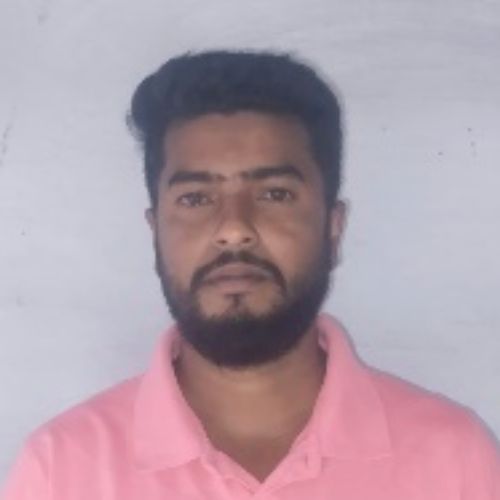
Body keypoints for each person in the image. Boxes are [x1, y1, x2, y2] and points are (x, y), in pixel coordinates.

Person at [2, 50, 499, 499]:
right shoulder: (61, 471)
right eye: (195, 198)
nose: (234, 229)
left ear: (333, 226)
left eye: (274, 194)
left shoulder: (453, 461)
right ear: (155, 232)